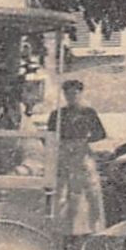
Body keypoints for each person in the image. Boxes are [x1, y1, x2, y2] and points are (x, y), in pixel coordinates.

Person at [47, 79, 107, 234]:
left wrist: (83, 141)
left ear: (81, 94)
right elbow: (49, 135)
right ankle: (61, 227)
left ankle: (94, 225)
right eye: (68, 94)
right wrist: (62, 144)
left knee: (91, 189)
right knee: (62, 190)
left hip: (82, 152)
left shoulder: (88, 113)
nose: (72, 97)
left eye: (75, 93)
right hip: (64, 153)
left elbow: (100, 133)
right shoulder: (57, 115)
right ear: (64, 95)